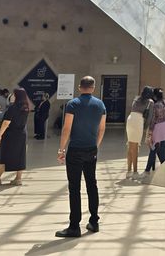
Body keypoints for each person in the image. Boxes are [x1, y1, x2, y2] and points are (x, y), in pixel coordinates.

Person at [55, 76, 106, 238]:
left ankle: (74, 226)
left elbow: (66, 129)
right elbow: (102, 129)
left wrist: (61, 150)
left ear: (79, 87)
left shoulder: (73, 104)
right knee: (92, 185)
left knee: (74, 188)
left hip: (75, 150)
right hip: (91, 150)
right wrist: (95, 146)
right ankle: (94, 221)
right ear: (93, 87)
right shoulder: (100, 105)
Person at [0, 87, 29, 186]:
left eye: (13, 94)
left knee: (4, 156)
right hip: (22, 134)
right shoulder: (26, 107)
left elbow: (6, 122)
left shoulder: (13, 108)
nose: (12, 96)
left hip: (11, 135)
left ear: (17, 96)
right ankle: (18, 179)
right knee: (20, 156)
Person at [125, 87, 154, 179]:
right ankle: (135, 172)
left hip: (130, 119)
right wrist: (145, 127)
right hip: (138, 121)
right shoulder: (150, 102)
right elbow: (149, 117)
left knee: (130, 146)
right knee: (136, 147)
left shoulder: (136, 98)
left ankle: (129, 171)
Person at [144, 88, 165, 175]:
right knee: (163, 148)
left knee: (153, 148)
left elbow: (153, 120)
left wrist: (150, 132)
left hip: (158, 127)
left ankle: (147, 170)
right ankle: (164, 167)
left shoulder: (155, 105)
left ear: (155, 96)